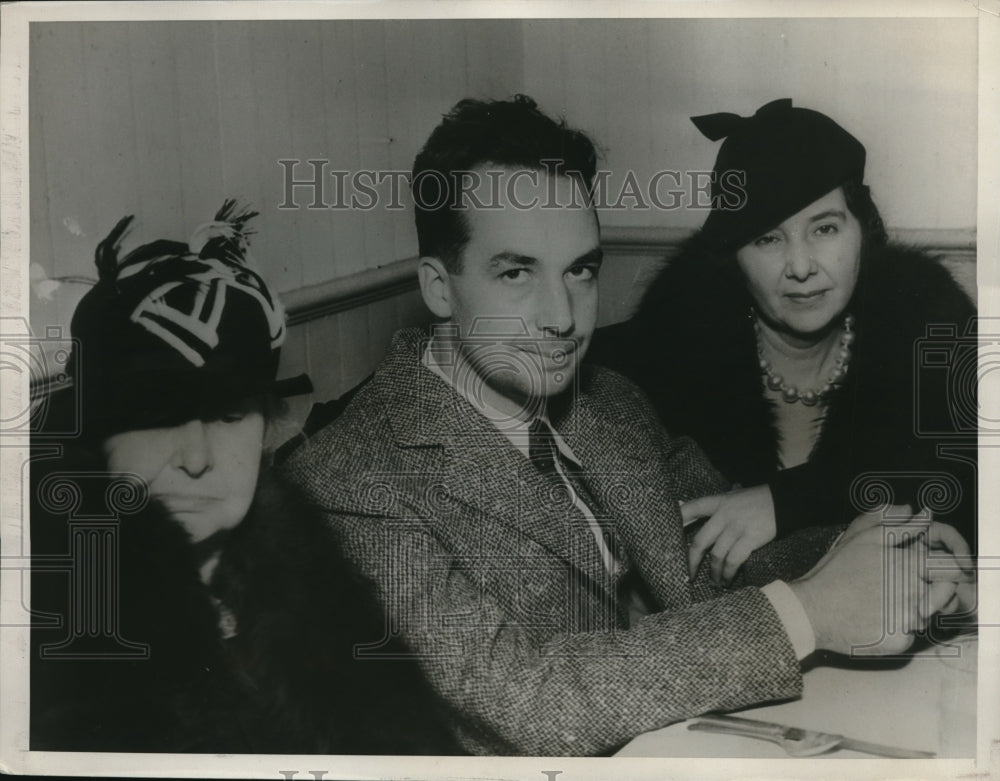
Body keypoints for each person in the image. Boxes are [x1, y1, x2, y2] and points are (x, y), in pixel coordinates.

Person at [282, 95, 973, 756]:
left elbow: (722, 564)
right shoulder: (347, 484)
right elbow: (528, 701)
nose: (561, 315)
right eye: (517, 272)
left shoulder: (607, 403)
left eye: (580, 270)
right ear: (438, 285)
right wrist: (812, 609)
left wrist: (891, 556)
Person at [29, 202, 460, 754]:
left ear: (265, 428)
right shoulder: (62, 639)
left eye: (228, 416)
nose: (197, 457)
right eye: (157, 418)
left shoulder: (314, 581)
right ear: (97, 435)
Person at [588, 99, 977, 585]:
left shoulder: (929, 330)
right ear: (733, 256)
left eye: (825, 228)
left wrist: (789, 501)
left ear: (864, 230)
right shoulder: (666, 352)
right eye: (767, 239)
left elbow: (972, 482)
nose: (800, 265)